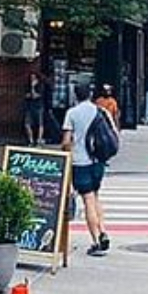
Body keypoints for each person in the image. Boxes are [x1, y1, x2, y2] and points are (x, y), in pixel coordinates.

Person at [62, 81, 110, 256]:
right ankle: (103, 230)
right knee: (95, 197)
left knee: (88, 200)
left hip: (80, 162)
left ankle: (97, 240)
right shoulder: (99, 111)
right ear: (89, 94)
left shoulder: (72, 113)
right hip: (97, 161)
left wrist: (66, 152)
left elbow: (66, 141)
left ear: (75, 95)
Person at [24, 70, 46, 146]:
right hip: (30, 106)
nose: (32, 79)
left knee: (40, 124)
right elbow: (26, 96)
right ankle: (31, 140)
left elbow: (35, 96)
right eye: (31, 78)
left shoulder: (40, 86)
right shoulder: (27, 86)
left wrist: (33, 88)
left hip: (38, 106)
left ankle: (39, 140)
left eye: (34, 78)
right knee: (27, 124)